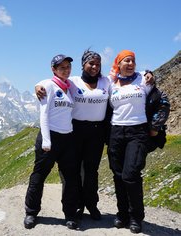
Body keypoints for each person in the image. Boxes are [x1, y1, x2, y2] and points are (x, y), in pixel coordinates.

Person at [36, 50, 111, 221]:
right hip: (76, 130)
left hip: (97, 131)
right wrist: (37, 85)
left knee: (91, 170)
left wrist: (148, 74)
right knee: (74, 171)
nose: (95, 67)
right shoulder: (74, 81)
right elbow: (52, 82)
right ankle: (76, 207)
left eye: (98, 64)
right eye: (91, 63)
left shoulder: (106, 82)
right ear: (83, 64)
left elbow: (125, 80)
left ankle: (91, 204)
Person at [106, 49, 169, 234]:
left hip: (138, 131)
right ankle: (122, 214)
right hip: (116, 131)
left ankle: (136, 217)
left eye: (133, 60)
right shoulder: (111, 83)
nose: (131, 63)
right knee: (118, 175)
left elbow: (161, 98)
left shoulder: (143, 79)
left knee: (130, 174)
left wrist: (156, 126)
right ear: (118, 64)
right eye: (126, 60)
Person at [24, 54, 78, 230]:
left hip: (68, 138)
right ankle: (31, 212)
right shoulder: (49, 85)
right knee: (39, 175)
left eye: (68, 66)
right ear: (53, 70)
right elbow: (44, 114)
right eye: (61, 67)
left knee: (70, 178)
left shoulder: (69, 86)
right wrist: (46, 141)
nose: (66, 70)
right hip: (50, 137)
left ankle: (70, 214)